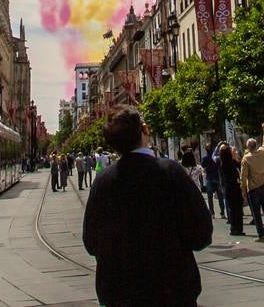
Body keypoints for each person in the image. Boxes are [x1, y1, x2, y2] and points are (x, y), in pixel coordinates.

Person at [82, 107, 211, 306]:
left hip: (120, 294)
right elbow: (202, 233)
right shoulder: (171, 172)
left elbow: (91, 242)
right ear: (145, 129)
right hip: (172, 291)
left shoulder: (103, 182)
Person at [239, 121, 264, 242]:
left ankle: (261, 235)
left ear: (248, 147)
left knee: (257, 214)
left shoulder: (246, 159)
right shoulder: (262, 152)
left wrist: (243, 190)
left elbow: (243, 176)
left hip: (253, 189)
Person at [217, 143, 243, 235]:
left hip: (227, 188)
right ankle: (238, 228)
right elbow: (239, 170)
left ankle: (233, 228)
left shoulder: (221, 163)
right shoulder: (233, 163)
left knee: (231, 208)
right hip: (235, 187)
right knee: (238, 209)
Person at [200, 143, 223, 218]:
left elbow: (203, 165)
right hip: (217, 177)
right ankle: (222, 212)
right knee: (220, 196)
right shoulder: (216, 158)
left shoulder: (205, 158)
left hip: (209, 178)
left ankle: (212, 213)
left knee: (210, 197)